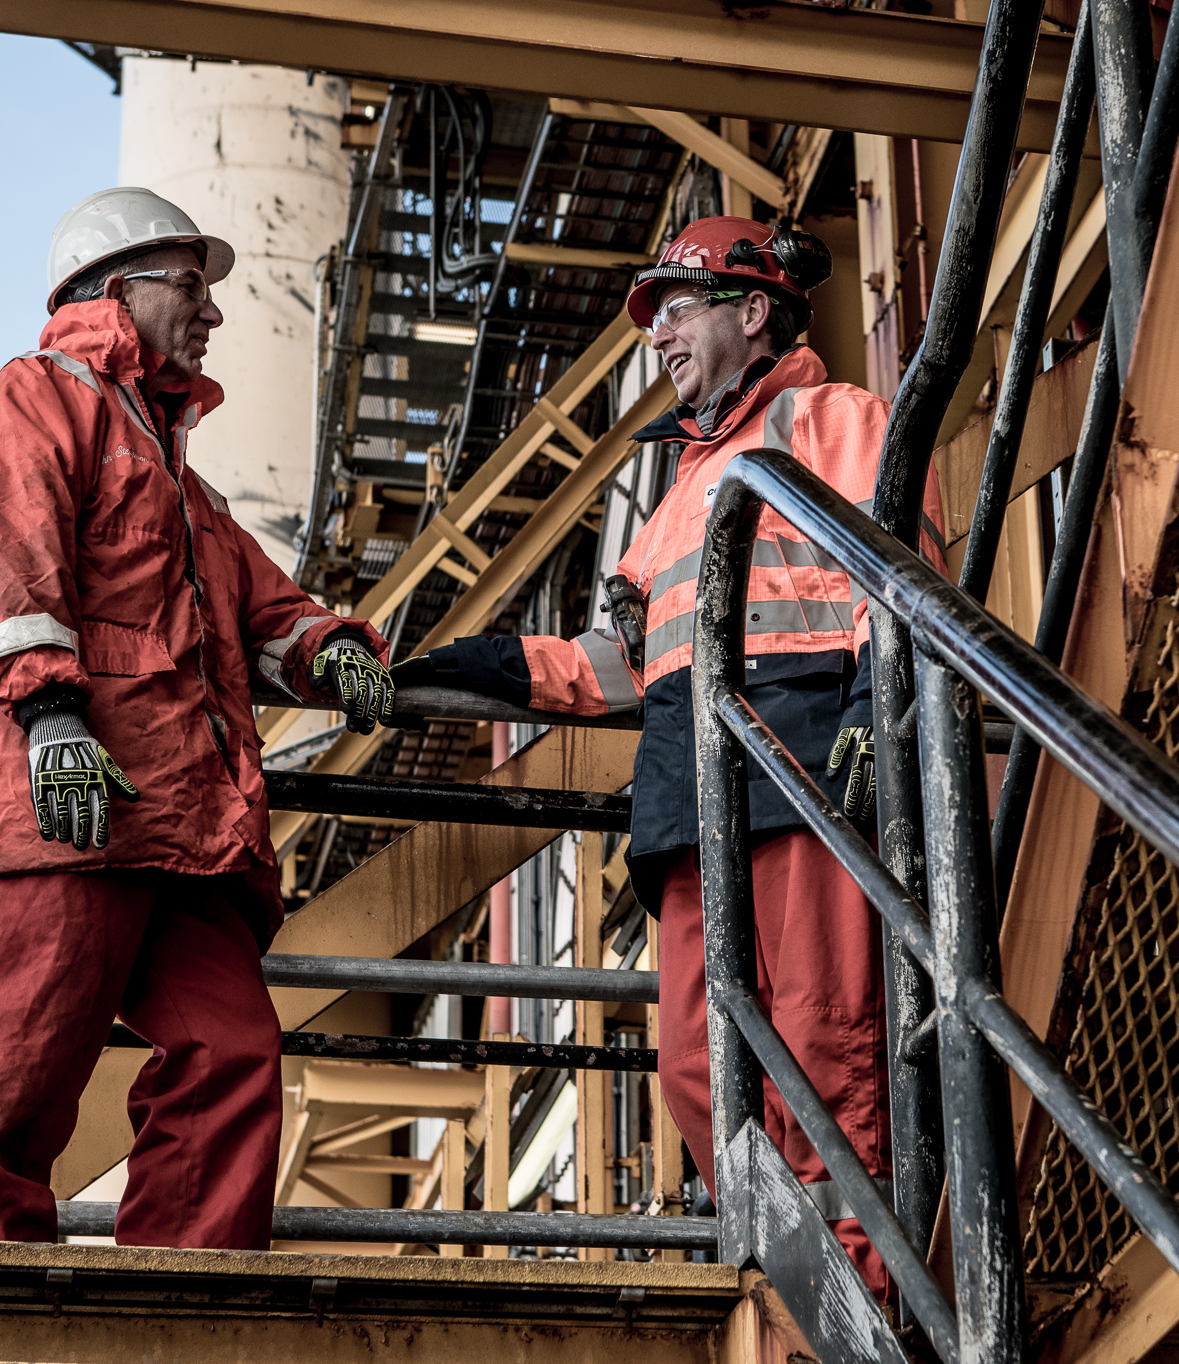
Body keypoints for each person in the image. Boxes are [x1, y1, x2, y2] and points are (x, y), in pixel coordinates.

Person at [399, 216, 948, 1295]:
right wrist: (479, 667)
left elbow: (903, 571)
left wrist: (875, 707)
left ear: (753, 312)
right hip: (692, 787)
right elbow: (621, 665)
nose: (659, 336)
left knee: (824, 1046)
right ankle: (782, 1269)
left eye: (677, 309)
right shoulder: (681, 491)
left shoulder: (838, 420)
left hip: (808, 765)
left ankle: (863, 1300)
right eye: (653, 318)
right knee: (699, 1067)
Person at [0, 187, 394, 1249]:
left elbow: (267, 612)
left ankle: (187, 1311)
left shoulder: (186, 490)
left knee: (229, 1054)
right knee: (13, 1083)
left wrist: (332, 646)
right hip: (52, 815)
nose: (212, 311)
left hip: (178, 835)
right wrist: (48, 716)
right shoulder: (27, 402)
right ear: (108, 291)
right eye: (190, 284)